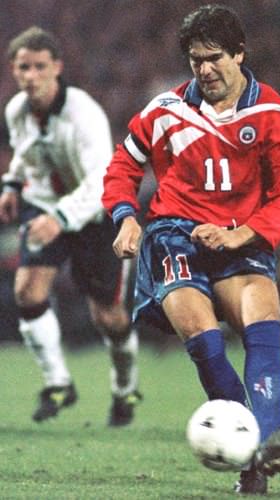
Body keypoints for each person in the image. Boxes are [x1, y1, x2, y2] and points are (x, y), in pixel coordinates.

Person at [102, 4, 280, 495]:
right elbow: (124, 165)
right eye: (196, 60)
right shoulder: (165, 110)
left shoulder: (270, 114)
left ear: (239, 54)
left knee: (263, 318)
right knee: (201, 330)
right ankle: (263, 444)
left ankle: (259, 457)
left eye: (214, 58)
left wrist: (244, 233)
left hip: (238, 237)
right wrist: (125, 216)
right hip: (173, 234)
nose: (205, 69)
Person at [0, 26, 142, 426]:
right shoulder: (17, 110)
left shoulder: (84, 114)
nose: (31, 76)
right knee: (28, 291)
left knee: (108, 316)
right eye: (23, 67)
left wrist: (60, 219)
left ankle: (125, 387)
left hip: (94, 216)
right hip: (45, 206)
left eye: (39, 67)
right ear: (13, 69)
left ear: (57, 68)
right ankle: (58, 382)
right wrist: (12, 185)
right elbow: (25, 155)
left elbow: (101, 181)